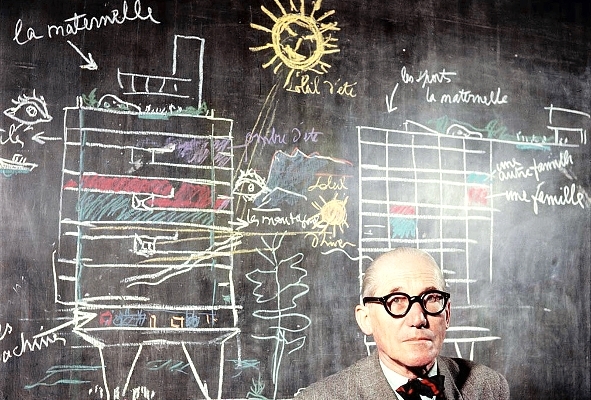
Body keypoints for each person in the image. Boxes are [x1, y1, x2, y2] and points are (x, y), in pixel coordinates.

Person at [294, 247, 509, 400]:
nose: (418, 319)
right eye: (396, 301)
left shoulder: (488, 387)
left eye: (431, 298)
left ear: (447, 313)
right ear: (366, 319)